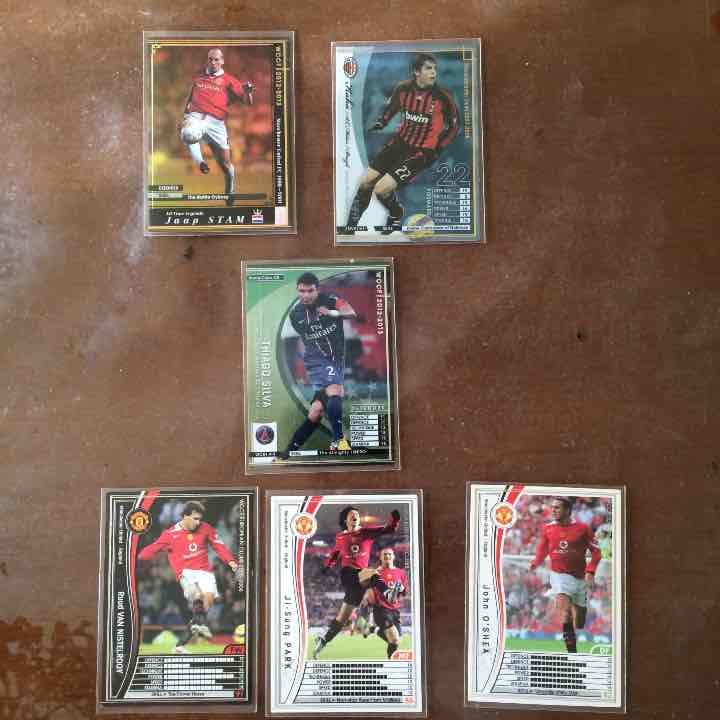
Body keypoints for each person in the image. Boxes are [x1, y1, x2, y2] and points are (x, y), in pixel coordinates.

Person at [344, 53, 459, 235]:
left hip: (421, 152)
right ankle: (349, 229)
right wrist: (382, 121)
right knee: (366, 182)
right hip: (399, 143)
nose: (434, 73)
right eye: (428, 68)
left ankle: (396, 211)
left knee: (380, 189)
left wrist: (438, 148)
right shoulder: (403, 89)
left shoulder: (443, 97)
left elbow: (454, 126)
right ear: (416, 72)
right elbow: (392, 108)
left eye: (435, 69)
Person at [138, 501, 238, 653]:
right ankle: (198, 624)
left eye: (200, 519)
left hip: (205, 572)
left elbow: (219, 546)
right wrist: (137, 557)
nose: (198, 522)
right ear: (185, 516)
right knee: (197, 596)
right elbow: (152, 548)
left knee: (204, 606)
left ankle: (182, 643)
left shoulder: (206, 528)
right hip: (185, 573)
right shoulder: (170, 534)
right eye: (195, 518)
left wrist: (231, 561)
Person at [278, 272, 357, 460]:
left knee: (316, 411)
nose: (305, 295)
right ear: (297, 290)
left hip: (336, 358)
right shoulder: (295, 314)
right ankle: (338, 440)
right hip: (318, 360)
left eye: (310, 291)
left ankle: (287, 453)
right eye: (301, 291)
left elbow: (351, 313)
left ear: (317, 289)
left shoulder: (332, 300)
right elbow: (307, 338)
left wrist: (332, 313)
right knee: (335, 390)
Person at [313, 506, 400, 658]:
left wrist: (394, 521)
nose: (355, 516)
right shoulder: (340, 537)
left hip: (361, 581)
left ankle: (324, 640)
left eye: (357, 515)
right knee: (371, 572)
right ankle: (388, 592)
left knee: (342, 618)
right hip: (349, 574)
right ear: (346, 519)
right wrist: (327, 566)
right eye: (352, 514)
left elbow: (388, 529)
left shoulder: (366, 532)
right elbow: (334, 554)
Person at [180, 48, 254, 206]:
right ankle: (200, 162)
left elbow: (247, 102)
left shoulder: (229, 80)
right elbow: (191, 96)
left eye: (216, 59)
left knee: (226, 164)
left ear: (222, 61)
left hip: (216, 123)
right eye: (210, 59)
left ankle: (230, 191)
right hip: (196, 117)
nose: (213, 62)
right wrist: (186, 115)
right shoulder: (199, 76)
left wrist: (248, 92)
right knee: (188, 134)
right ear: (207, 60)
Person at [529, 498, 601, 653]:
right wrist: (536, 562)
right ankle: (572, 654)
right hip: (559, 576)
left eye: (557, 508)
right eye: (552, 507)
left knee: (579, 621)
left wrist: (590, 571)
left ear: (568, 510)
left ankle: (576, 626)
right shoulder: (547, 528)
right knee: (566, 613)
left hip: (580, 578)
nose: (553, 510)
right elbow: (542, 549)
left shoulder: (583, 528)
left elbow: (596, 552)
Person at [369, 547, 409, 659]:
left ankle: (376, 630)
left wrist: (401, 589)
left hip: (395, 610)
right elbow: (370, 591)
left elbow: (404, 592)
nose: (387, 556)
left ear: (393, 557)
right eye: (385, 554)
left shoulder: (401, 573)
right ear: (381, 557)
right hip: (381, 609)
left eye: (389, 554)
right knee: (394, 639)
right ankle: (392, 662)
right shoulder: (375, 573)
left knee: (396, 641)